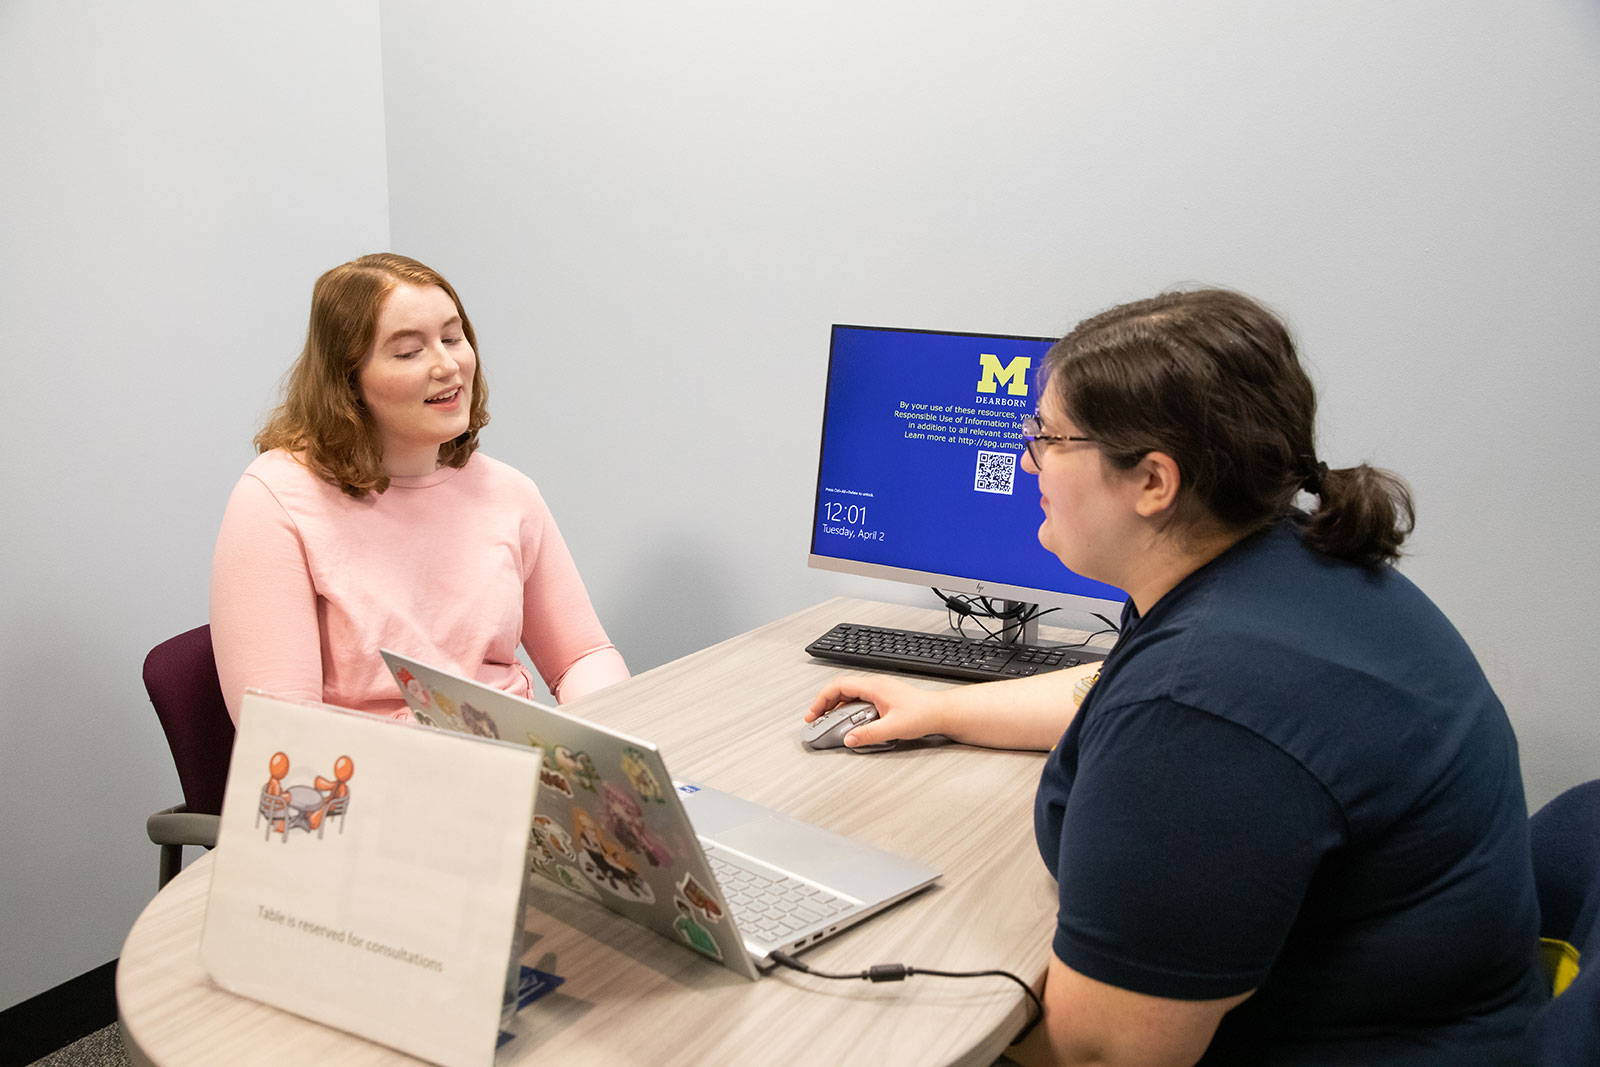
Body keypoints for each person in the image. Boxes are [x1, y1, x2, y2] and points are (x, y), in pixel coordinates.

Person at [808, 288, 1546, 1065]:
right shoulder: (1276, 566)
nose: (1028, 458)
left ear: (1154, 481)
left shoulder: (1205, 704)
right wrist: (941, 708)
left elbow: (1099, 1051)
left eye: (1049, 437)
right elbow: (1105, 691)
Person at [211, 253, 627, 725]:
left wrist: (608, 735)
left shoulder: (509, 493)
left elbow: (582, 655)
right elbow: (283, 729)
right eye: (410, 352)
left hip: (507, 768)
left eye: (453, 338)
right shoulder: (275, 499)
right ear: (348, 381)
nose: (448, 366)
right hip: (370, 780)